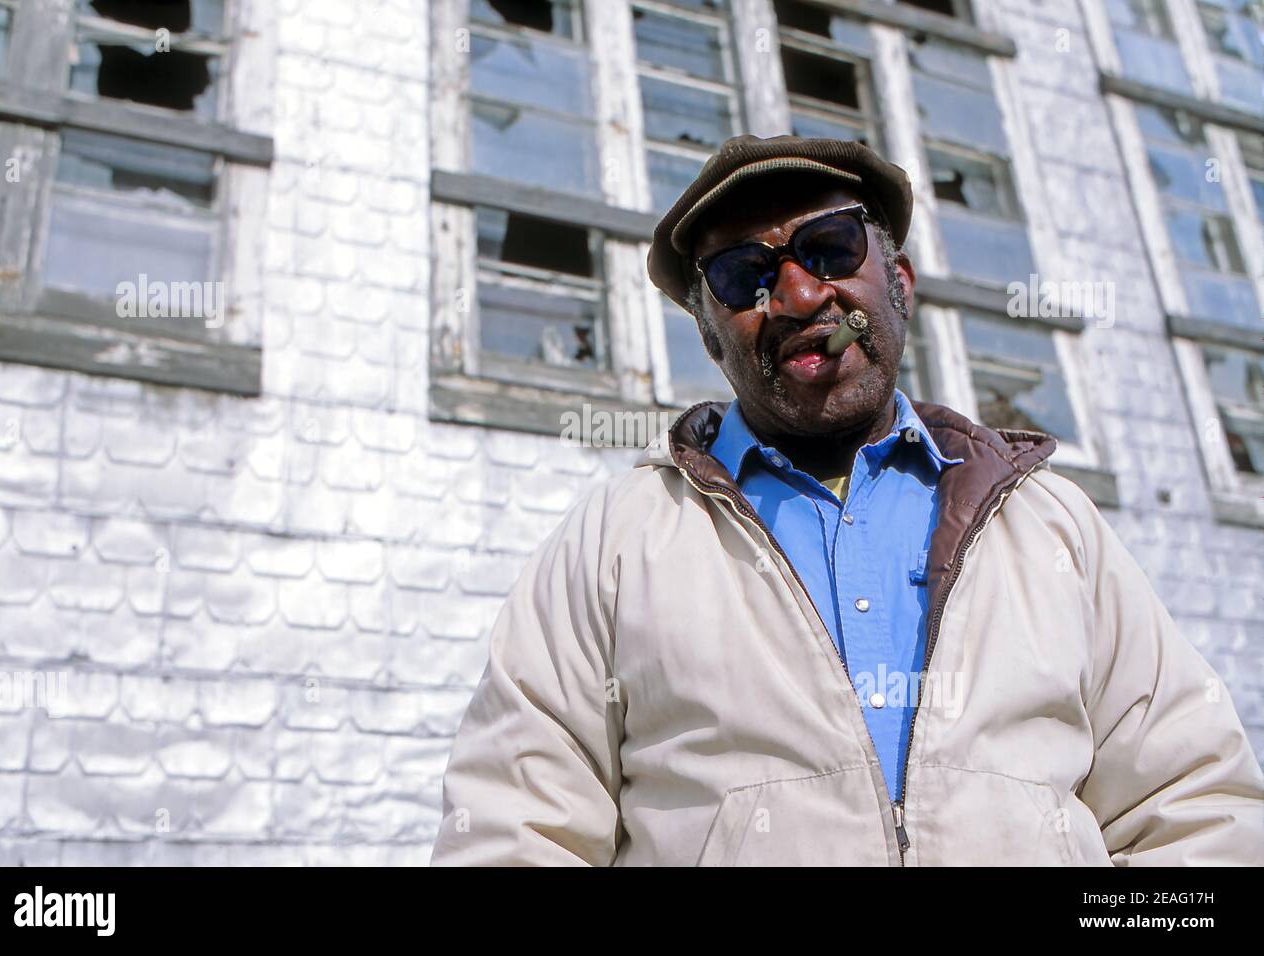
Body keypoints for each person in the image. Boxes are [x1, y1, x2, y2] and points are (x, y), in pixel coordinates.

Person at [430, 135, 1264, 866]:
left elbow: (1194, 809)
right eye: (743, 275)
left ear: (898, 281)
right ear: (709, 331)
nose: (797, 297)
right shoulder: (616, 542)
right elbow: (512, 835)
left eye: (830, 248)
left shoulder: (1051, 527)